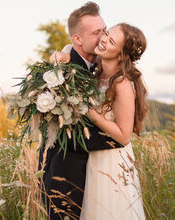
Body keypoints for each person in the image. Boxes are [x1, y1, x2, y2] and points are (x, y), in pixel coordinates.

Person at [39, 1, 124, 220]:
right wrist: (120, 138)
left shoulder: (103, 66)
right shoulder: (61, 74)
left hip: (101, 177)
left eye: (105, 30)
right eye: (96, 32)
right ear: (77, 39)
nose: (104, 37)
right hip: (67, 178)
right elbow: (70, 134)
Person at [54, 23, 148, 219]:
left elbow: (124, 136)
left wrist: (89, 111)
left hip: (112, 161)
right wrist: (62, 53)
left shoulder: (122, 82)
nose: (104, 39)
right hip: (93, 157)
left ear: (122, 55)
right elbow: (73, 49)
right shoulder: (97, 68)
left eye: (111, 41)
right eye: (106, 33)